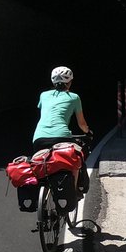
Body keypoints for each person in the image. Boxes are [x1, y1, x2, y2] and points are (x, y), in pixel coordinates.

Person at [32, 65, 92, 195]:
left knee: (42, 161)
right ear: (70, 82)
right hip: (62, 136)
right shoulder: (74, 97)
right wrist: (88, 132)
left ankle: (41, 189)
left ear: (53, 81)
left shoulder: (43, 95)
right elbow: (82, 124)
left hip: (39, 137)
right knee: (74, 160)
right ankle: (73, 192)